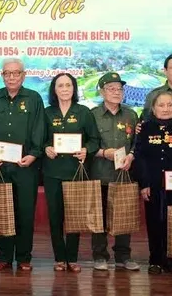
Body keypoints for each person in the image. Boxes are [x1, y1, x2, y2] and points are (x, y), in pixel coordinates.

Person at [0, 58, 45, 272]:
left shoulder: (34, 98)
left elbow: (39, 129)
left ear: (23, 75)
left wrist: (34, 155)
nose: (11, 77)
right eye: (7, 73)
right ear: (2, 76)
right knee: (1, 210)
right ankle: (4, 256)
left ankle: (24, 257)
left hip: (25, 166)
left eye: (16, 73)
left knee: (25, 212)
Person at [43, 73, 99, 273]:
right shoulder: (47, 113)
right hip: (52, 172)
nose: (65, 89)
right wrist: (46, 148)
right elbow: (40, 139)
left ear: (74, 89)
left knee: (74, 216)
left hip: (76, 172)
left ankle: (72, 258)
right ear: (54, 89)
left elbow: (94, 140)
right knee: (55, 216)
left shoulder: (84, 112)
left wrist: (87, 150)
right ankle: (59, 258)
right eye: (60, 85)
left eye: (68, 85)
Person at [134, 91, 172, 275]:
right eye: (161, 105)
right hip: (152, 184)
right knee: (154, 222)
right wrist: (143, 184)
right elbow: (140, 157)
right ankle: (155, 260)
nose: (166, 108)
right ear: (153, 108)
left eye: (170, 105)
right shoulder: (145, 128)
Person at [89, 72, 140, 272]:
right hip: (100, 173)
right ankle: (100, 256)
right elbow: (87, 144)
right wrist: (103, 152)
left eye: (119, 89)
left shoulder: (131, 115)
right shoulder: (92, 115)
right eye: (111, 88)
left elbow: (137, 143)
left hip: (124, 174)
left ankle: (123, 256)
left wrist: (132, 156)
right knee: (99, 219)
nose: (116, 92)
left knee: (124, 217)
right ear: (102, 92)